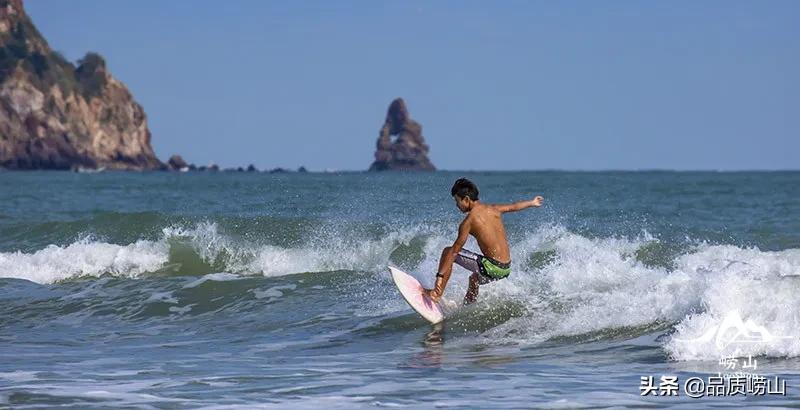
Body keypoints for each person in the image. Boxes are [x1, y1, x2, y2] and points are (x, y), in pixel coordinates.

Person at [425, 178, 543, 305]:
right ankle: (468, 307)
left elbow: (454, 252)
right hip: (505, 269)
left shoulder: (468, 222)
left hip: (492, 267)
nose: (456, 206)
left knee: (447, 251)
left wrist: (440, 276)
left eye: (457, 201)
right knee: (474, 279)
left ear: (466, 199)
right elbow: (514, 206)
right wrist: (532, 202)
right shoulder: (494, 209)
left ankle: (436, 294)